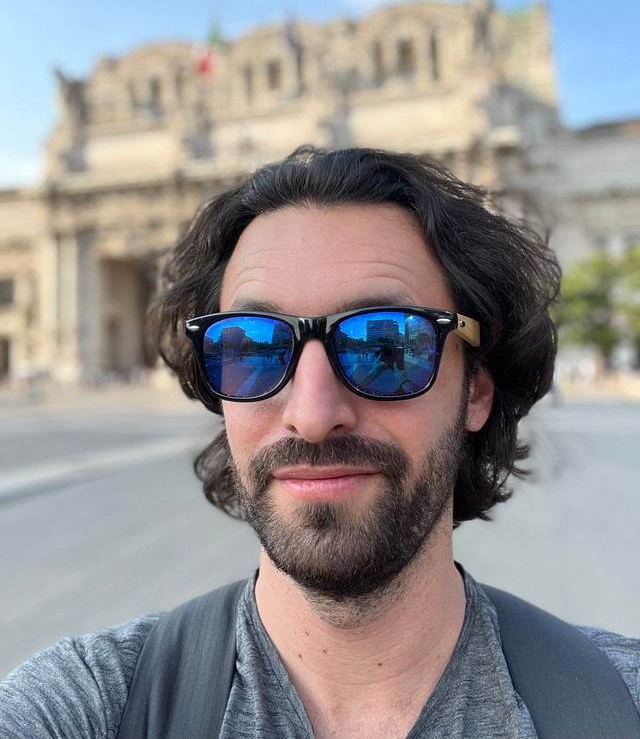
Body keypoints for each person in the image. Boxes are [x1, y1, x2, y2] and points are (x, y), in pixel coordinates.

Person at [2, 146, 639, 738]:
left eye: (386, 345)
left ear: (476, 391)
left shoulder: (621, 702)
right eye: (251, 347)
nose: (311, 415)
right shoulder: (88, 704)